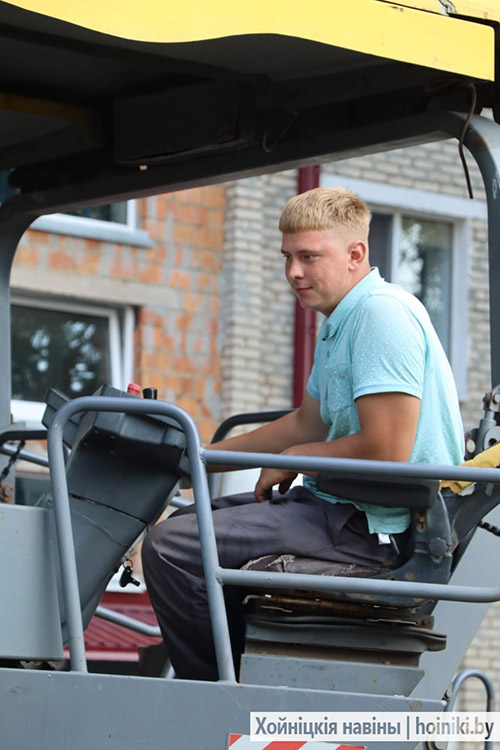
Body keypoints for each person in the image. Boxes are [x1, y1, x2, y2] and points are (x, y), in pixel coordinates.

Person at [142, 186, 464, 681]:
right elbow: (306, 423)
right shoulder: (341, 321)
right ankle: (234, 675)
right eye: (287, 257)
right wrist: (197, 459)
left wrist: (294, 458)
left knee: (173, 546)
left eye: (309, 257)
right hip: (334, 505)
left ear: (356, 253)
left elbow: (387, 448)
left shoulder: (381, 315)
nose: (294, 272)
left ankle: (213, 699)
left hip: (376, 527)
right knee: (191, 520)